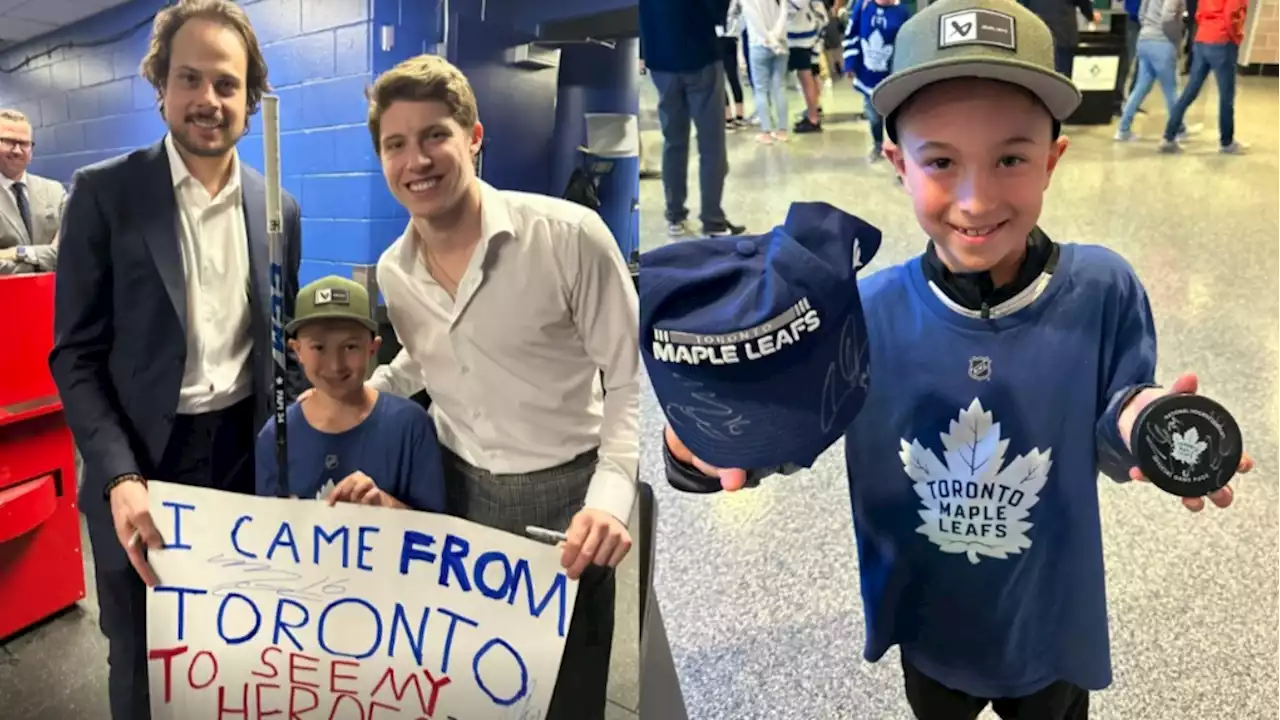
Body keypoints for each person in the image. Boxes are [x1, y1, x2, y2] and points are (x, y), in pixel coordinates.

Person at [651, 0, 1255, 718]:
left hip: (1048, 622)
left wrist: (1145, 425)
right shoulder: (861, 312)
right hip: (929, 621)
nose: (975, 199)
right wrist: (704, 437)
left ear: (1053, 160)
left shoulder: (1103, 287)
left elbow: (1112, 421)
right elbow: (774, 435)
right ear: (897, 163)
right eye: (940, 161)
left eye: (1010, 158)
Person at [363, 54, 640, 720]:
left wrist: (609, 500)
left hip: (568, 502)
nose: (417, 160)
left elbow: (631, 381)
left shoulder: (570, 238)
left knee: (568, 691)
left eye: (435, 135)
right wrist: (351, 399)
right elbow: (425, 363)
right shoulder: (393, 272)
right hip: (454, 495)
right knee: (474, 688)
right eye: (395, 144)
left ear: (474, 137)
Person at [46, 2, 303, 718]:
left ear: (249, 101)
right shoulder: (104, 194)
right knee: (140, 655)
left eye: (227, 84)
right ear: (160, 85)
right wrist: (119, 476)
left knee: (230, 651)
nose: (207, 100)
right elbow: (74, 356)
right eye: (189, 78)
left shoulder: (278, 207)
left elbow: (281, 356)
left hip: (240, 465)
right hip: (139, 466)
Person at [255, 275, 446, 512]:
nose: (335, 365)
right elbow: (265, 532)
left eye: (350, 347)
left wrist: (386, 506)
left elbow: (437, 532)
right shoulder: (275, 437)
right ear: (297, 350)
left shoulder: (411, 428)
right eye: (319, 347)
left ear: (372, 348)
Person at [639, 0, 747, 237]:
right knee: (711, 144)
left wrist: (643, 52)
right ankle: (712, 220)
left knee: (673, 141)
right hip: (700, 55)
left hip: (660, 59)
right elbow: (716, 12)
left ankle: (675, 216)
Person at [1159, 0, 1248, 153]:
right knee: (1226, 96)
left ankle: (1169, 137)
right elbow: (1230, 15)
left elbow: (1199, 14)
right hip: (1222, 41)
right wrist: (1235, 37)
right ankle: (1227, 142)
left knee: (1189, 92)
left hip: (1202, 40)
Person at [0, 108, 66, 274]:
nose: (16, 150)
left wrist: (18, 253)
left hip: (53, 296)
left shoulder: (55, 192)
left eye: (23, 143)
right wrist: (45, 260)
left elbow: (71, 249)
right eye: (8, 141)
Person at [843, 0, 910, 161]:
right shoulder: (863, 6)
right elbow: (852, 34)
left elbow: (907, 43)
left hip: (892, 75)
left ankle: (898, 149)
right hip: (867, 74)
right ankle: (877, 144)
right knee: (873, 115)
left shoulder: (902, 12)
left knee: (895, 116)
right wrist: (850, 63)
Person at [1115, 0, 1186, 141]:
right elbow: (1168, 18)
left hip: (1144, 39)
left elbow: (1141, 13)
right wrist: (1177, 41)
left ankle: (1123, 129)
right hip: (1162, 43)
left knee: (1140, 88)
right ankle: (1175, 131)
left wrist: (1149, 28)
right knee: (1170, 89)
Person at [742, 0, 795, 144]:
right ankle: (782, 130)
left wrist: (769, 39)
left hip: (759, 43)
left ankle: (766, 131)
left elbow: (754, 19)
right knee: (780, 87)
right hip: (781, 42)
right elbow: (784, 13)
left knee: (761, 89)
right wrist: (776, 39)